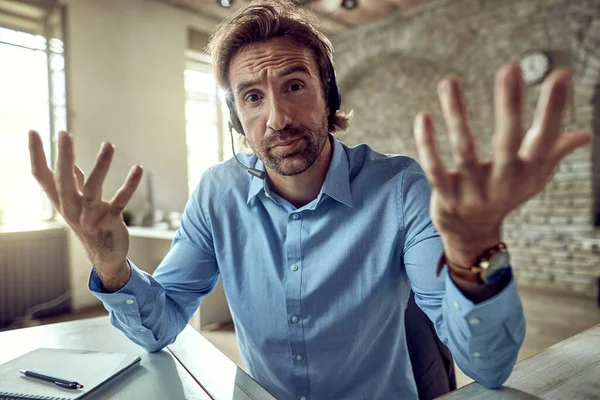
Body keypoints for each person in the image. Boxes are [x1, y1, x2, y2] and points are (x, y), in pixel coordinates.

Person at [28, 0, 592, 399]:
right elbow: (159, 327)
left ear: (329, 96)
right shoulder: (218, 193)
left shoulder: (400, 189)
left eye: (294, 85)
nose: (276, 117)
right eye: (252, 96)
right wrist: (109, 263)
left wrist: (474, 256)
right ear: (237, 119)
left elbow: (489, 369)